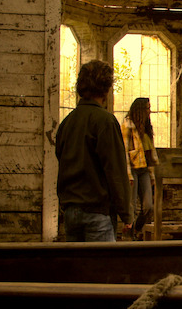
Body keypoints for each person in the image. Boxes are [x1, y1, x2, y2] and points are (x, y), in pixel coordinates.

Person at [55, 60, 133, 241]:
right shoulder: (105, 121)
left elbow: (62, 160)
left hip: (71, 212)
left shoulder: (67, 122)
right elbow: (115, 170)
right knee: (103, 268)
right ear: (106, 88)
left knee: (78, 269)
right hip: (97, 213)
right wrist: (126, 214)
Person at [123, 97, 158, 235]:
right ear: (139, 110)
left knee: (148, 206)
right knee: (132, 206)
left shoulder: (147, 128)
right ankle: (129, 235)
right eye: (147, 108)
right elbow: (124, 151)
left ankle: (136, 230)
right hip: (132, 169)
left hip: (144, 170)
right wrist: (128, 174)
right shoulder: (127, 125)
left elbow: (150, 155)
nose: (149, 111)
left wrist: (152, 176)